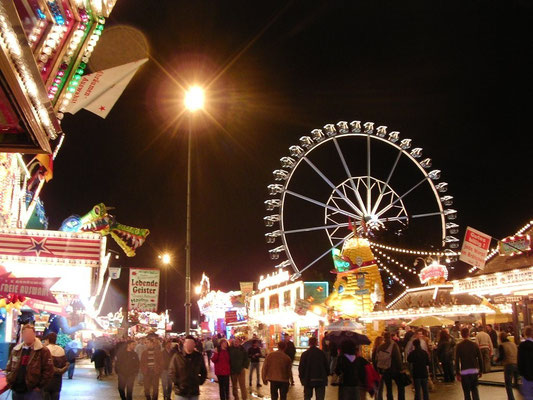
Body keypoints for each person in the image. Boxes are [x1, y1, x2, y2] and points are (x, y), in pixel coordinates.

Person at [5, 324, 54, 400]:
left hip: (33, 391)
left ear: (34, 334)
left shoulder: (43, 350)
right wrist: (10, 381)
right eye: (25, 333)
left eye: (29, 333)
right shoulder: (16, 350)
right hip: (16, 389)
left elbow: (49, 370)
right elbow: (9, 367)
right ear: (22, 335)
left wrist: (39, 386)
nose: (27, 336)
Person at [169, 335, 207, 400]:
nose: (189, 345)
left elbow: (204, 371)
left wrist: (199, 381)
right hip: (181, 392)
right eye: (187, 343)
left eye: (191, 343)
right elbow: (171, 372)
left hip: (194, 391)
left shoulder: (198, 356)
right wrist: (178, 382)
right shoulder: (177, 356)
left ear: (194, 344)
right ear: (184, 344)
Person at [455, 327, 483, 400]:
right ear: (468, 334)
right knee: (474, 390)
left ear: (461, 334)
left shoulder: (459, 346)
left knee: (466, 392)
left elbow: (456, 360)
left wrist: (457, 373)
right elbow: (480, 358)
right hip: (474, 370)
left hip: (464, 370)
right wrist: (481, 370)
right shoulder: (474, 345)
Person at [376, 331, 404, 400]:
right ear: (390, 337)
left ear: (384, 338)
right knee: (400, 386)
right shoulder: (394, 345)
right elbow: (398, 358)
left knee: (389, 388)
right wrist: (401, 368)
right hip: (395, 370)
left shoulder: (380, 347)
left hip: (385, 370)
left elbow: (377, 359)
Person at [43, 332, 69, 400]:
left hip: (46, 381)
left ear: (48, 340)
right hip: (57, 381)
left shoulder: (45, 350)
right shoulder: (61, 350)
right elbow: (64, 364)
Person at [498, 332, 518, 400]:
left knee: (508, 384)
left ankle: (511, 398)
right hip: (516, 364)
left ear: (500, 338)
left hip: (508, 364)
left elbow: (502, 356)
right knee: (516, 382)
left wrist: (496, 360)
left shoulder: (502, 345)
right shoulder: (513, 344)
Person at [518, 325, 533, 400]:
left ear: (525, 334)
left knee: (528, 396)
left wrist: (520, 373)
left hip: (526, 375)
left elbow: (520, 361)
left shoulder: (522, 346)